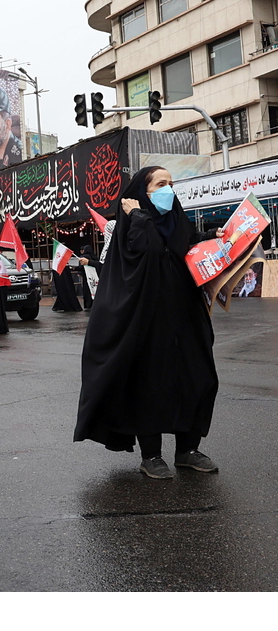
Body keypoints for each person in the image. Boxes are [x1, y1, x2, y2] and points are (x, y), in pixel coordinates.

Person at [74, 166, 223, 479]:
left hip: (187, 318)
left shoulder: (176, 218)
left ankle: (187, 450)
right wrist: (140, 216)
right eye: (160, 184)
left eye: (171, 183)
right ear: (142, 193)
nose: (168, 189)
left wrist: (212, 235)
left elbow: (186, 243)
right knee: (152, 386)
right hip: (148, 321)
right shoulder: (131, 225)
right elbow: (151, 251)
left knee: (198, 379)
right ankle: (151, 456)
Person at [77, 244, 102, 310]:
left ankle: (88, 304)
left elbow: (81, 267)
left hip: (86, 276)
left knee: (86, 290)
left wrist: (75, 268)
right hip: (94, 275)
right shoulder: (94, 257)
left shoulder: (84, 257)